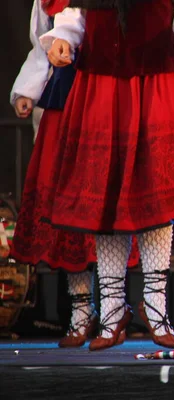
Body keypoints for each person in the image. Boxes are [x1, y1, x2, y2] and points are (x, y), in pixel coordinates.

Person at [39, 0, 174, 351]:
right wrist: (62, 38)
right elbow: (76, 13)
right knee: (105, 196)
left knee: (155, 195)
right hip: (101, 82)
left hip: (157, 81)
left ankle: (155, 304)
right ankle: (112, 308)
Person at [10, 0, 140, 348]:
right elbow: (43, 40)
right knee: (68, 212)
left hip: (106, 87)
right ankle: (82, 310)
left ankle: (114, 308)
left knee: (105, 204)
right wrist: (28, 88)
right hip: (65, 93)